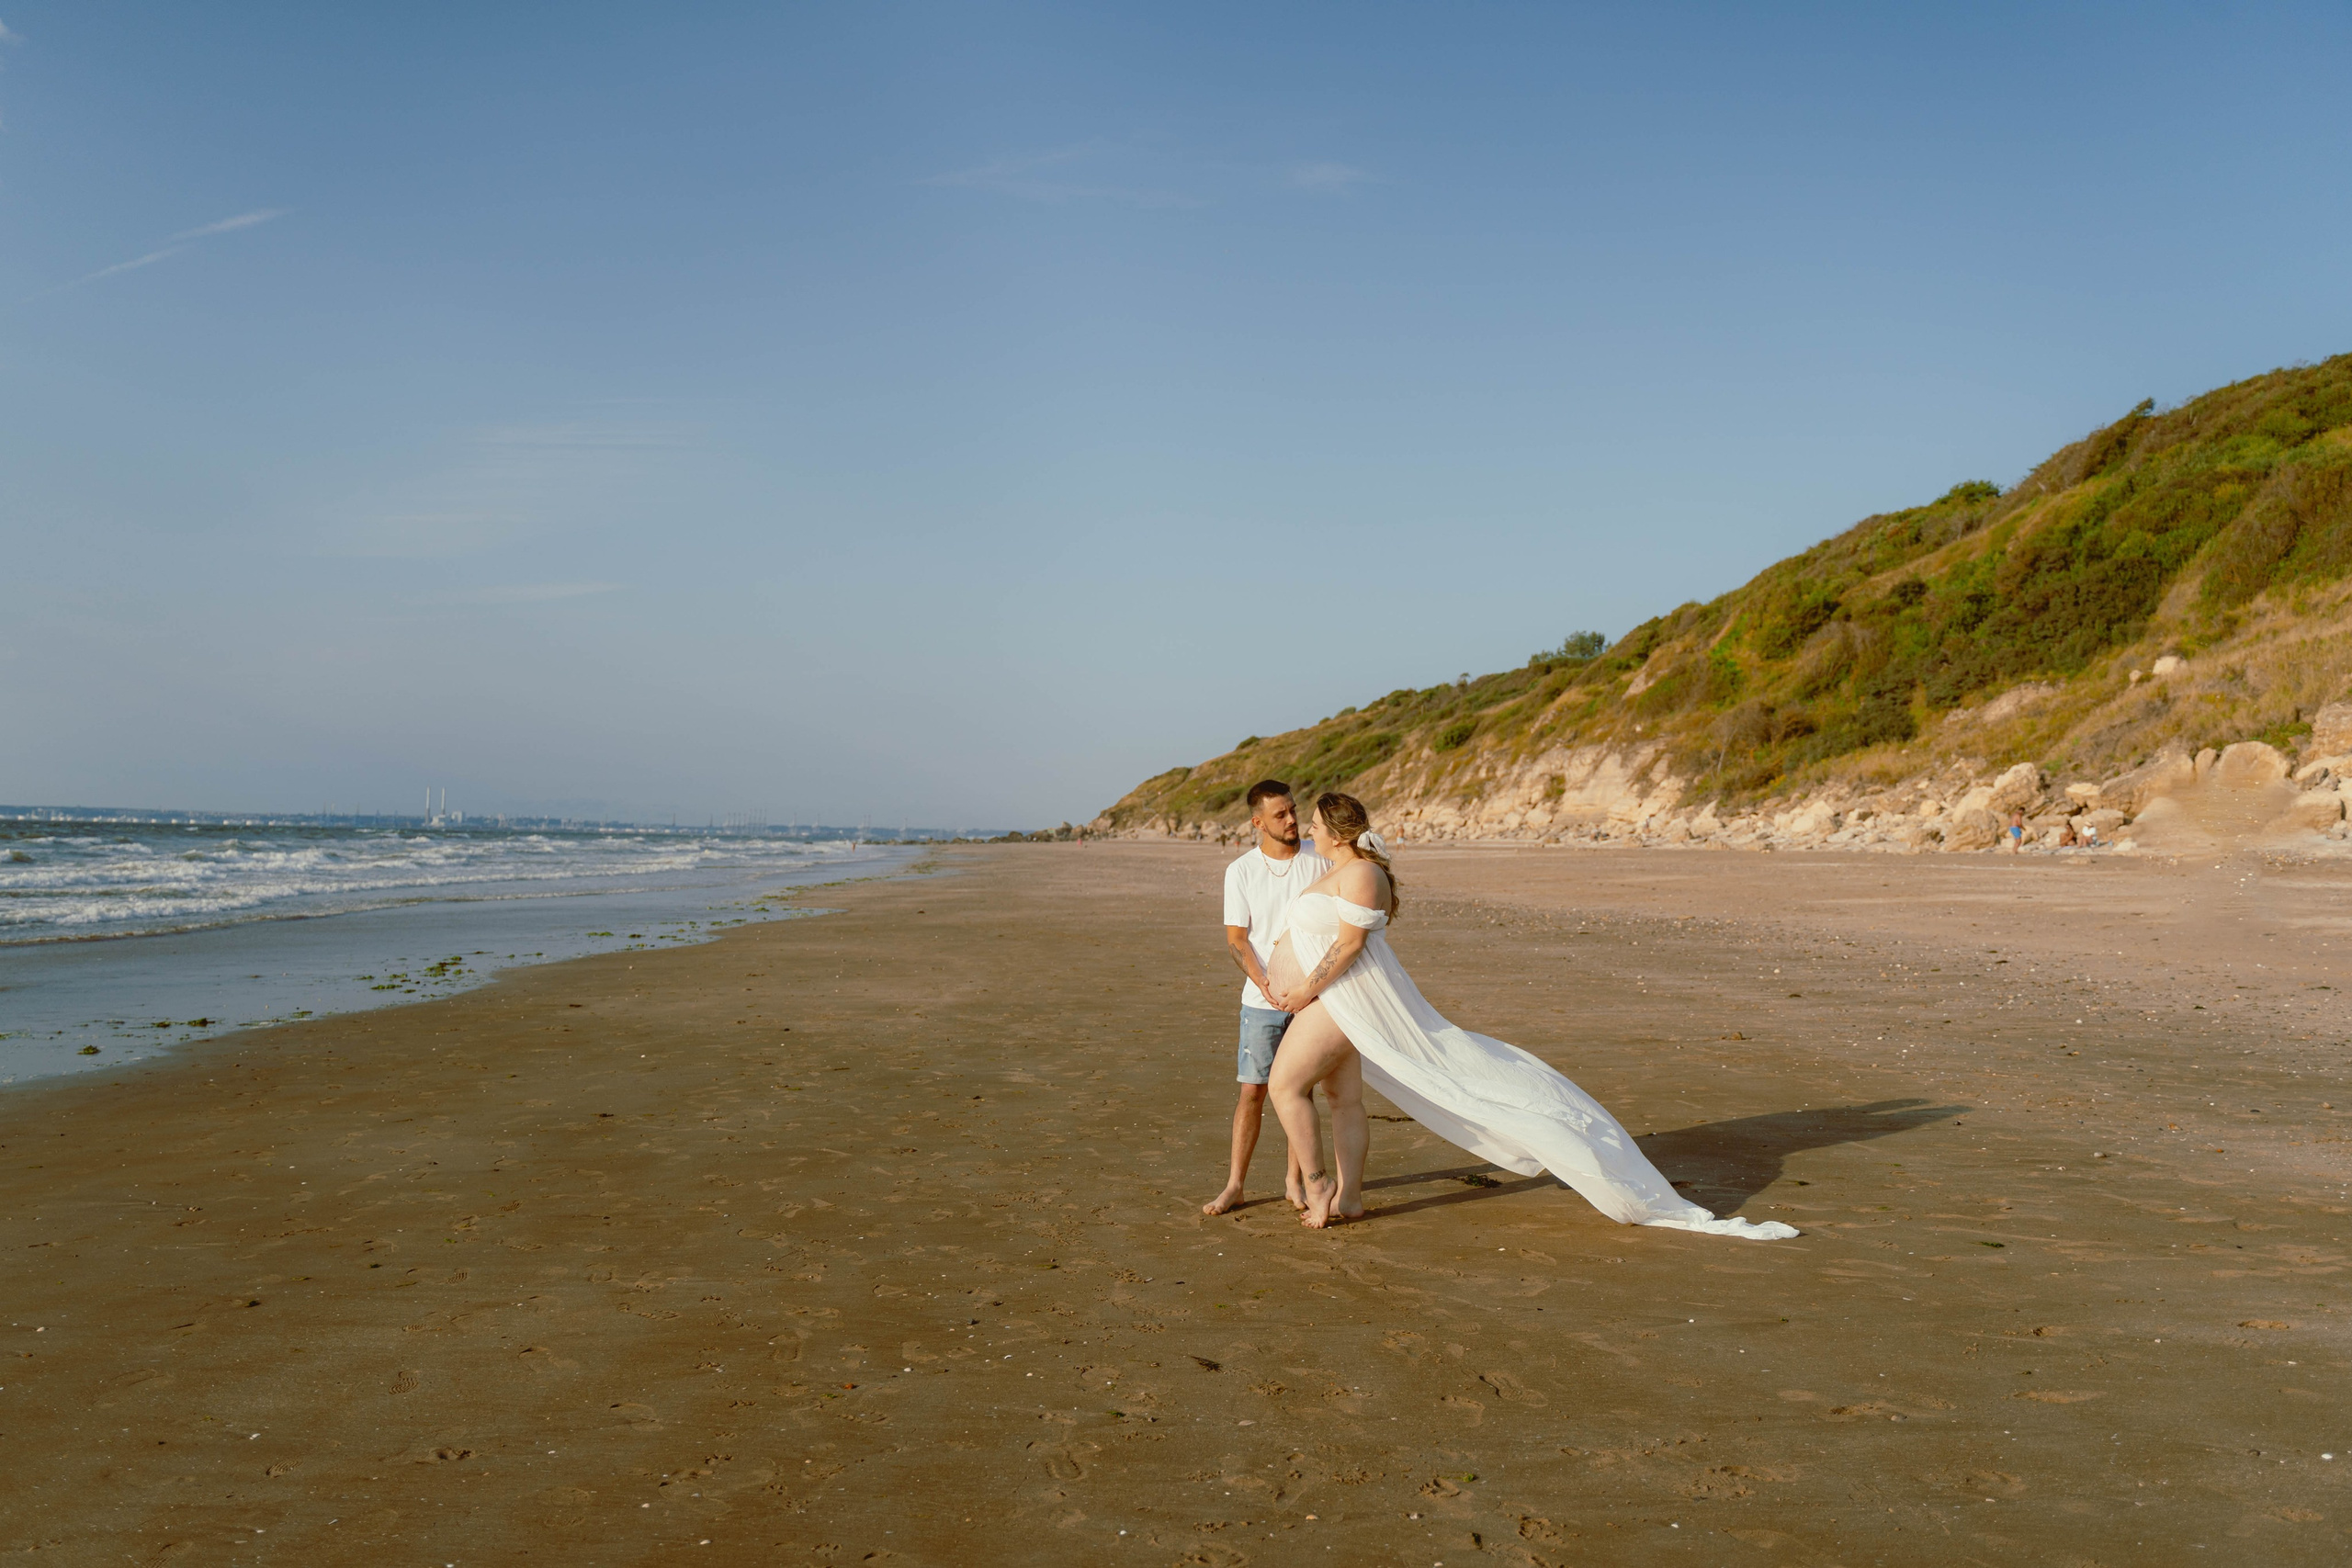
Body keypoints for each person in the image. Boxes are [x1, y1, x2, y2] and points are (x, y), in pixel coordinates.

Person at [1261, 791, 1799, 1240]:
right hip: (1331, 996)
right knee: (1343, 1098)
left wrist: (1306, 988)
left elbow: (1351, 945)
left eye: (1316, 823)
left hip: (1346, 998)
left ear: (1338, 831)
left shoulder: (1361, 874)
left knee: (1285, 1085)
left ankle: (1320, 1185)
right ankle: (1350, 1198)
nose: (1308, 829)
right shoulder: (1336, 869)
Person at [1201, 779, 1333, 1216]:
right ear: (1258, 823)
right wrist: (1263, 982)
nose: (1293, 820)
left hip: (1312, 998)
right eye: (1281, 814)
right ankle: (1235, 1185)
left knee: (1300, 1090)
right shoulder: (1241, 871)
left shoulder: (1320, 859)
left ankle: (1296, 1181)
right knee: (1252, 1092)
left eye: (1293, 810)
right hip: (1261, 1001)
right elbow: (1237, 940)